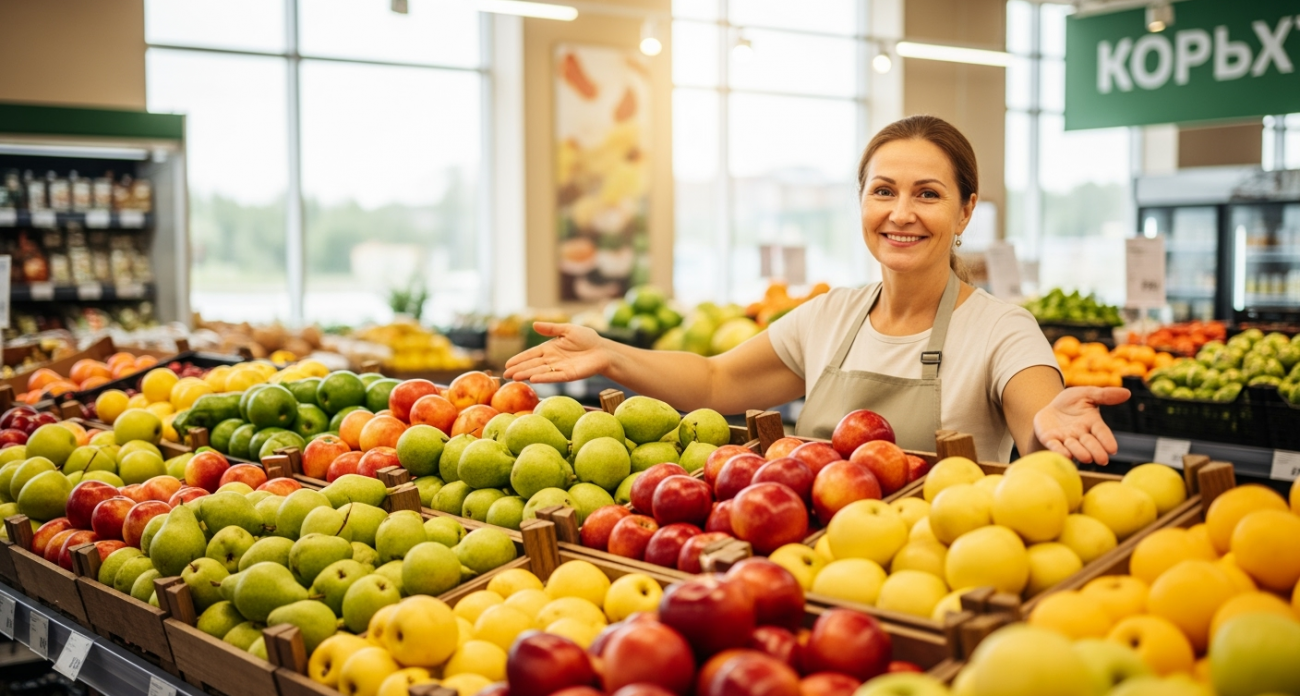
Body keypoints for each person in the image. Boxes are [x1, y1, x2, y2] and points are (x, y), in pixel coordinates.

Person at [505, 115, 1130, 464]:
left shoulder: (1000, 329)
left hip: (925, 577)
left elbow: (1035, 416)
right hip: (810, 562)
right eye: (883, 190)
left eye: (928, 194)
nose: (901, 213)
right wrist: (613, 353)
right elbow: (716, 381)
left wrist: (1047, 425)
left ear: (966, 212)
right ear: (861, 200)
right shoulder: (830, 315)